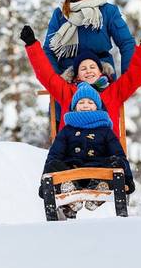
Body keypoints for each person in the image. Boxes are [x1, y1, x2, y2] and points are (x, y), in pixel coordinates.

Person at [19, 23, 141, 139]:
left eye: (92, 67)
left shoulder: (113, 91)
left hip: (106, 151)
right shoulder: (67, 92)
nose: (88, 70)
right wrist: (32, 45)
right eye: (83, 68)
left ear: (100, 71)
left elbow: (134, 77)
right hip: (72, 151)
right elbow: (46, 75)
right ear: (77, 76)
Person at [38, 82, 135, 218]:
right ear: (74, 107)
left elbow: (119, 154)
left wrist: (128, 180)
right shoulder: (67, 130)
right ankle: (70, 192)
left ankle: (99, 190)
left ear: (97, 106)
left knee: (116, 161)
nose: (85, 105)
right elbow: (54, 154)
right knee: (53, 163)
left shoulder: (105, 130)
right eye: (81, 102)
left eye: (90, 102)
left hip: (98, 172)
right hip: (72, 172)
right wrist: (44, 182)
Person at [43, 0, 135, 79]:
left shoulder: (108, 11)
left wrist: (128, 77)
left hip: (101, 76)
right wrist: (56, 81)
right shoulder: (60, 13)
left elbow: (126, 42)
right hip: (68, 79)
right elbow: (49, 50)